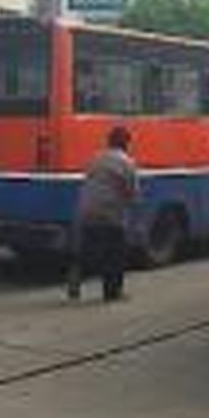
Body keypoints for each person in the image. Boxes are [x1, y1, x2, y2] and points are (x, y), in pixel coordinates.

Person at [67, 126, 138, 302]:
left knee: (90, 248)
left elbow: (88, 181)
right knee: (115, 254)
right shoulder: (127, 162)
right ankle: (112, 292)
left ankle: (77, 272)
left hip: (86, 210)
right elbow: (132, 193)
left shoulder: (95, 158)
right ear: (126, 144)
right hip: (111, 214)